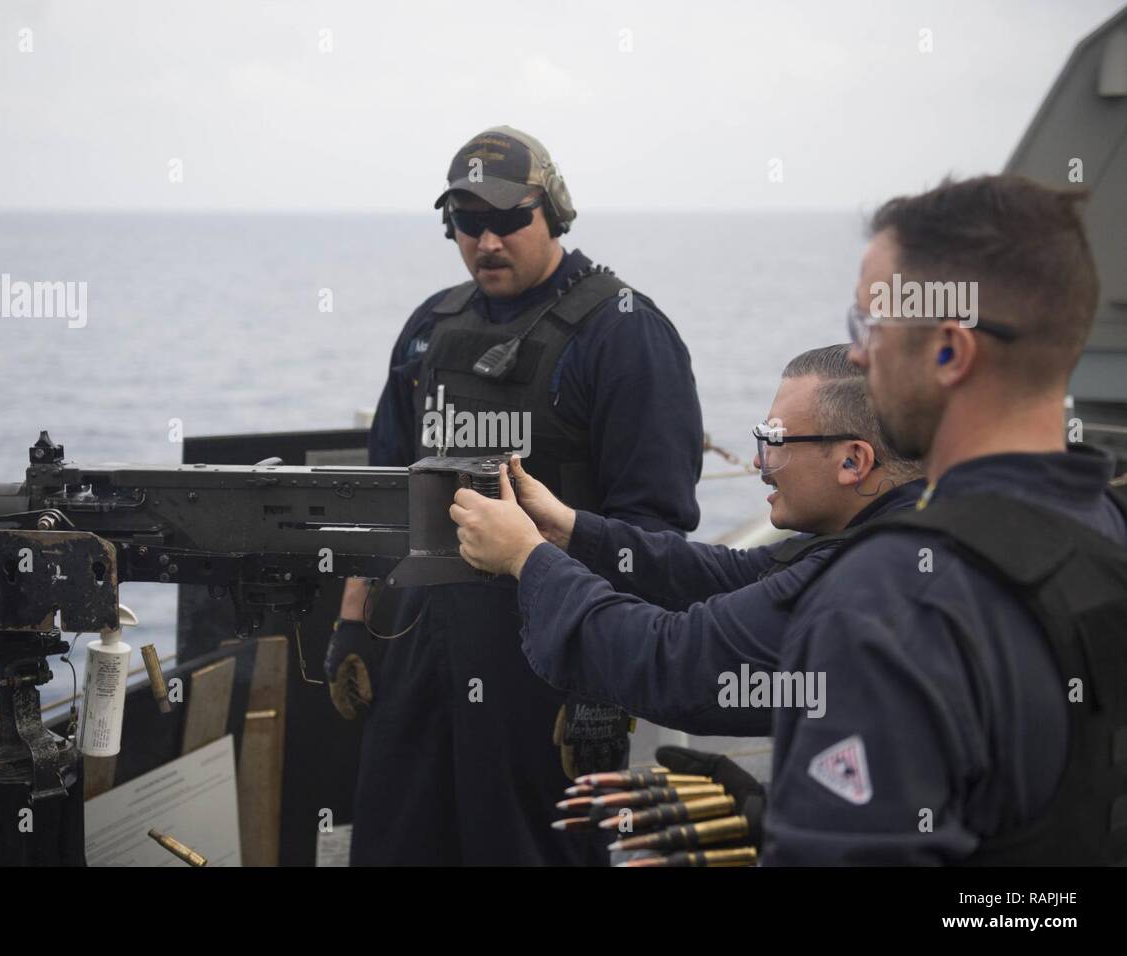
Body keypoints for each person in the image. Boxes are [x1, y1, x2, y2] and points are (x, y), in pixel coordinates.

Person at [327, 125, 704, 865]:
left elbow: (654, 532)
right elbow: (380, 493)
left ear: (553, 213)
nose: (487, 241)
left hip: (549, 664)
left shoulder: (623, 335)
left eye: (507, 220)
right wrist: (351, 623)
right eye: (468, 223)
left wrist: (604, 684)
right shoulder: (429, 330)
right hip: (419, 649)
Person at [764, 175, 1127, 864]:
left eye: (870, 324)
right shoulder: (1109, 530)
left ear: (949, 351)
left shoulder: (890, 603)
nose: (856, 353)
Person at [450, 343, 923, 736]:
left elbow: (671, 664)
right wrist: (569, 530)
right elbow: (730, 574)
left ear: (852, 461)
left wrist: (526, 558)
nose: (759, 462)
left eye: (774, 441)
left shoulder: (861, 582)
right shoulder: (903, 529)